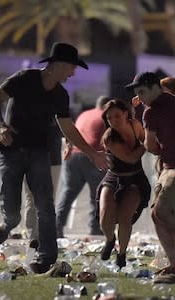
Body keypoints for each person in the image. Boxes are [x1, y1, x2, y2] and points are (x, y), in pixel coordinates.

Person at [0, 42, 107, 274]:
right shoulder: (23, 78)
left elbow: (68, 128)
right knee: (12, 212)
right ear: (59, 65)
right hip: (10, 152)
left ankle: (46, 257)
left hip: (39, 153)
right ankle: (7, 225)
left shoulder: (61, 95)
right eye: (72, 68)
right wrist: (0, 125)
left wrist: (92, 153)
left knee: (45, 205)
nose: (73, 73)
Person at [127, 72, 175, 274]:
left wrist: (156, 145)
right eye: (137, 93)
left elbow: (150, 146)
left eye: (143, 92)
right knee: (158, 213)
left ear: (155, 87)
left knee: (160, 211)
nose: (140, 98)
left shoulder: (150, 113)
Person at [97, 99, 151, 268]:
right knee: (105, 219)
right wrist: (147, 144)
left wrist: (148, 140)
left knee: (125, 217)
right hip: (114, 177)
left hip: (135, 178)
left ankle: (122, 253)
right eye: (110, 118)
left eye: (117, 116)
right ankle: (110, 240)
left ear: (126, 114)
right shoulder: (110, 138)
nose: (114, 120)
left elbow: (145, 137)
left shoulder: (135, 124)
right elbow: (131, 157)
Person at [55, 96, 112, 237]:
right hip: (94, 155)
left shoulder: (84, 114)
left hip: (73, 155)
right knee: (97, 195)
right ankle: (95, 228)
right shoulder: (107, 117)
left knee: (68, 192)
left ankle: (56, 226)